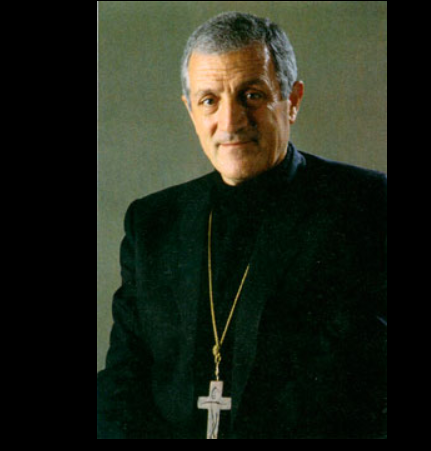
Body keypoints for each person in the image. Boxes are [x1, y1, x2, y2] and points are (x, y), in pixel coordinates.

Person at [97, 11, 387, 439]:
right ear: (190, 111)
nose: (230, 122)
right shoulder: (153, 223)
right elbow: (122, 383)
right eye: (209, 100)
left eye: (252, 95)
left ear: (292, 100)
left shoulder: (365, 206)